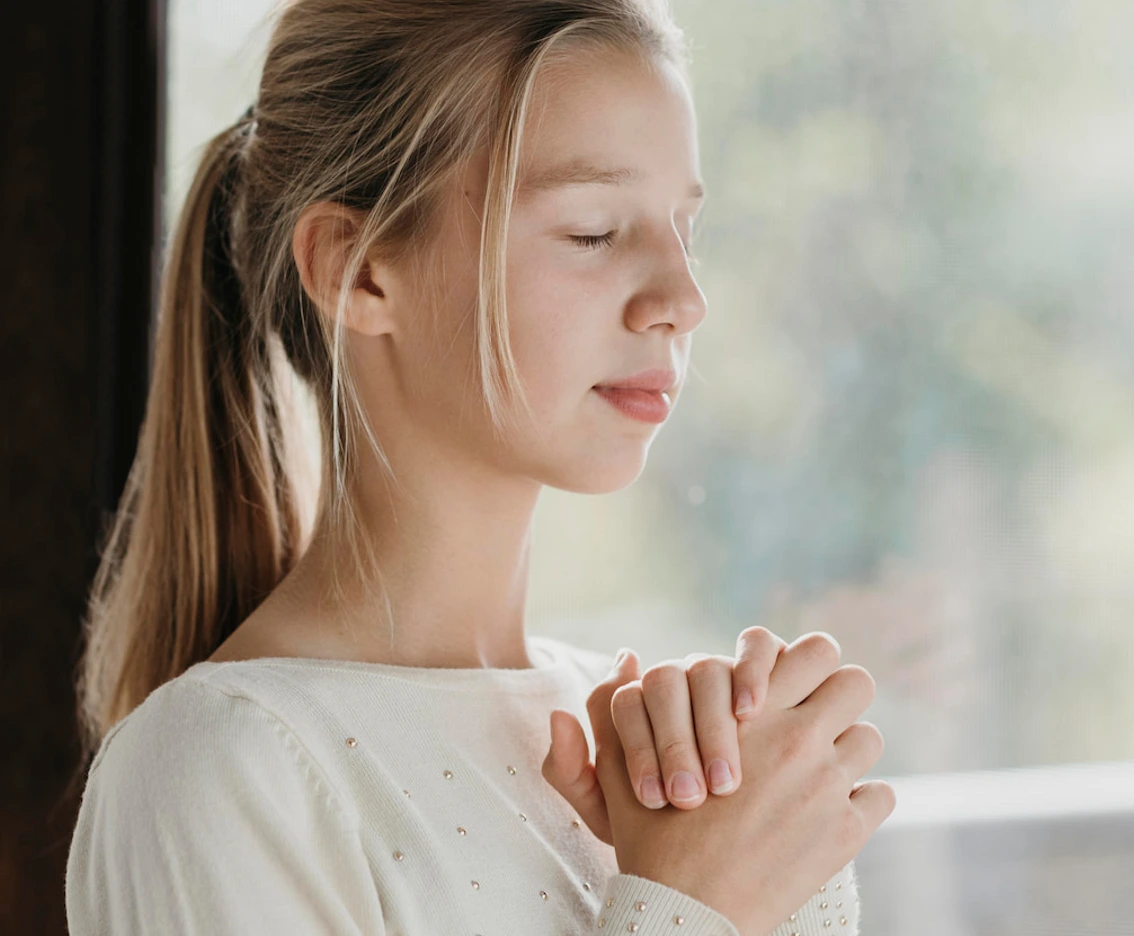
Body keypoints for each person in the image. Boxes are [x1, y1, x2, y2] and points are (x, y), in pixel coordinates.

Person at [64, 1, 895, 933]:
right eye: (592, 232)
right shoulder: (220, 770)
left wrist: (779, 865)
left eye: (683, 232)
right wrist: (695, 904)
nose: (683, 301)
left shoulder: (648, 755)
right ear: (360, 270)